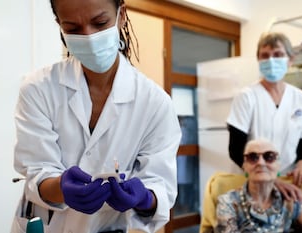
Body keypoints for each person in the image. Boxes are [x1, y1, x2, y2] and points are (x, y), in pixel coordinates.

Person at [10, 0, 182, 232]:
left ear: (121, 15)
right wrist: (60, 187)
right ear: (59, 25)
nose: (89, 37)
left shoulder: (155, 103)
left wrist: (143, 197)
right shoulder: (38, 88)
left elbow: (161, 188)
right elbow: (36, 171)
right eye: (73, 29)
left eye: (100, 23)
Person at [226, 32, 302, 198]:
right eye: (265, 56)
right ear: (259, 61)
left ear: (290, 60)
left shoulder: (301, 99)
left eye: (278, 55)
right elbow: (235, 149)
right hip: (252, 180)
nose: (271, 60)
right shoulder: (247, 96)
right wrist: (268, 178)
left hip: (288, 180)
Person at [215, 139, 302, 233]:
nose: (261, 163)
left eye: (269, 157)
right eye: (253, 157)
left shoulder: (287, 202)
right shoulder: (229, 202)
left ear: (278, 166)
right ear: (244, 166)